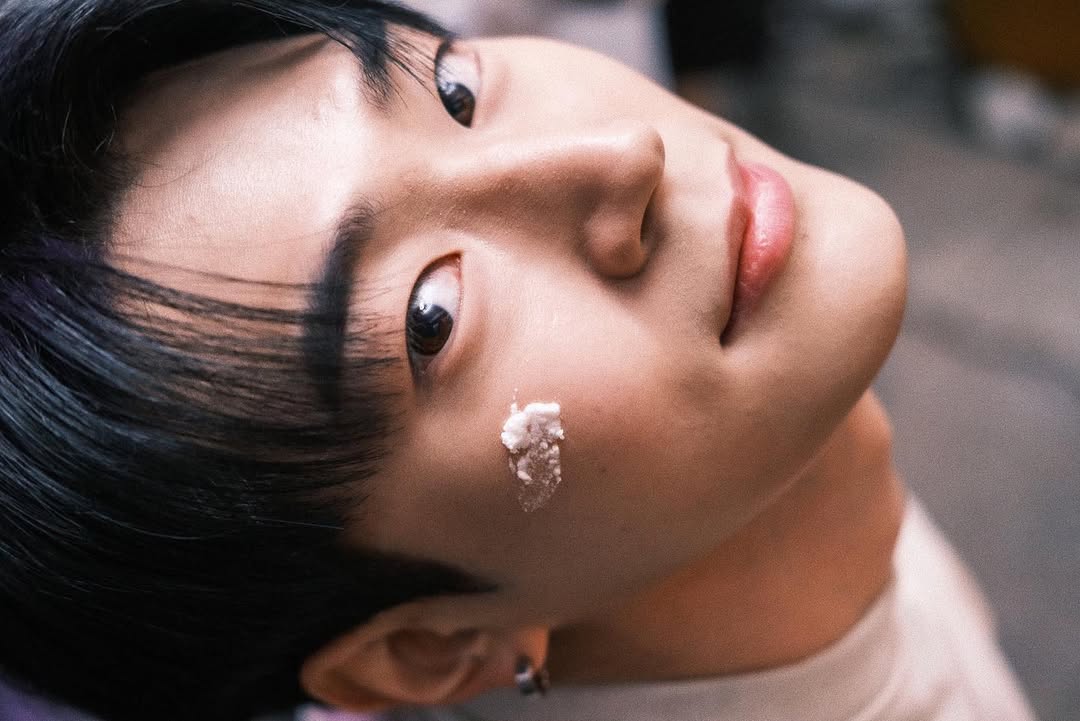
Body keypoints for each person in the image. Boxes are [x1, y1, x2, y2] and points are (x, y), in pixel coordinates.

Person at [0, 2, 1036, 721]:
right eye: (432, 317)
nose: (619, 155)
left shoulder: (772, 475)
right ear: (427, 650)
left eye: (452, 88)